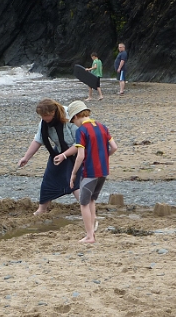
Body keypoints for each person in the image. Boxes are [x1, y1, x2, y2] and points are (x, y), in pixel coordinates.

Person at [56, 101, 117, 243]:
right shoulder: (102, 127)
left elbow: (81, 155)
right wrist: (103, 156)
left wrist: (73, 173)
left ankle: (89, 236)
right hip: (103, 170)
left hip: (89, 171)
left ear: (77, 116)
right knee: (91, 200)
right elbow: (114, 147)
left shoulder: (82, 131)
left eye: (73, 120)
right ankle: (92, 232)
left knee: (83, 203)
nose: (73, 123)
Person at [18, 99, 81, 215]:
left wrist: (64, 155)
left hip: (79, 151)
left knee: (74, 180)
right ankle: (41, 210)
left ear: (54, 112)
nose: (45, 119)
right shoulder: (44, 123)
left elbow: (80, 143)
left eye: (47, 115)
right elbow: (38, 140)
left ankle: (86, 208)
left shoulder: (70, 117)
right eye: (42, 116)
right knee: (49, 178)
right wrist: (26, 158)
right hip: (59, 150)